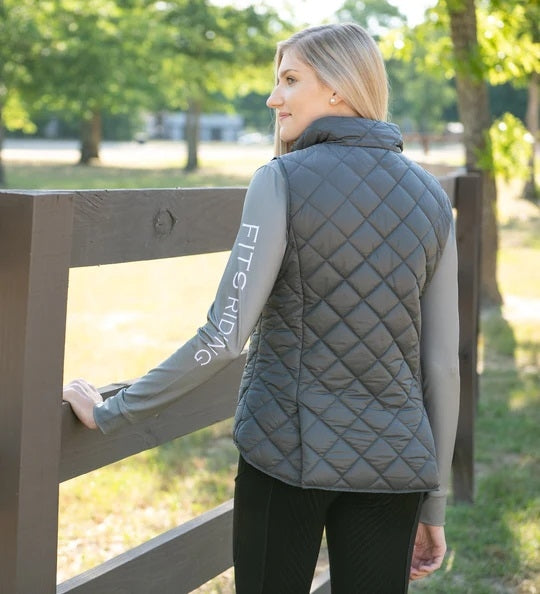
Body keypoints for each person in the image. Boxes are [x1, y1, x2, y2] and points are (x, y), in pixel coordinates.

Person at [64, 23, 460, 593]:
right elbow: (442, 366)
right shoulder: (432, 198)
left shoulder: (281, 180)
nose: (274, 98)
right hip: (395, 468)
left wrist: (113, 411)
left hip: (282, 456)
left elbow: (224, 336)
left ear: (338, 88)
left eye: (290, 79)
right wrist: (434, 502)